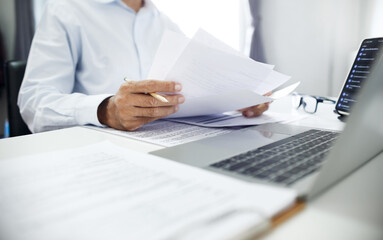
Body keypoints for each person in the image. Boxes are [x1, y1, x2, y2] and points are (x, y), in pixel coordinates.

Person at [18, 0, 269, 133]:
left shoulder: (163, 22)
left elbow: (192, 87)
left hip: (166, 144)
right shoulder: (65, 9)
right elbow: (34, 103)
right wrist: (106, 110)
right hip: (95, 155)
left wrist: (236, 96)